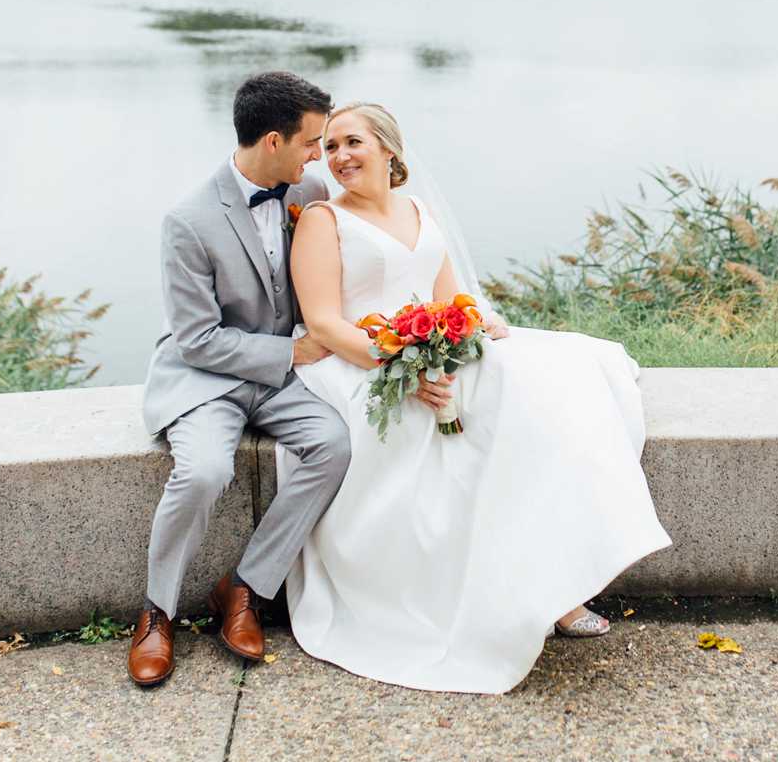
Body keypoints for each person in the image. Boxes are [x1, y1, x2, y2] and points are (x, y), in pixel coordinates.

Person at [283, 101, 671, 694]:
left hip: (430, 348)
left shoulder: (420, 209)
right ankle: (511, 599)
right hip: (359, 363)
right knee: (469, 438)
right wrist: (403, 370)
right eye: (330, 147)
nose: (338, 158)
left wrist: (470, 327)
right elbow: (326, 326)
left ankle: (556, 584)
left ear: (390, 149)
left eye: (352, 142)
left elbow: (451, 297)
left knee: (555, 387)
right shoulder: (321, 220)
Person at [130, 71, 350, 688]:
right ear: (274, 140)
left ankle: (246, 588)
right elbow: (196, 339)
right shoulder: (188, 221)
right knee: (203, 470)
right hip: (210, 377)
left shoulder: (307, 189)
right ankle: (157, 613)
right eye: (312, 143)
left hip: (286, 375)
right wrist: (293, 351)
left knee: (334, 446)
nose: (321, 156)